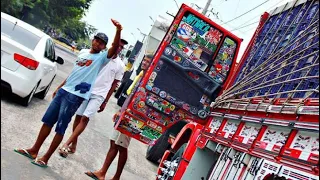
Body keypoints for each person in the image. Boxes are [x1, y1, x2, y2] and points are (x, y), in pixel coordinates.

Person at [14, 19, 123, 168]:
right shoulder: (83, 53)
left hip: (76, 96)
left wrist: (118, 31)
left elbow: (115, 47)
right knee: (47, 121)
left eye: (101, 43)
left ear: (104, 46)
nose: (98, 43)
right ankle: (34, 150)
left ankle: (46, 157)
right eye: (96, 40)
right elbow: (74, 73)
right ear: (93, 40)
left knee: (61, 127)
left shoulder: (102, 58)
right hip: (64, 91)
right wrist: (60, 86)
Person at [85, 54, 153, 180]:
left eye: (148, 62)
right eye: (144, 60)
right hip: (125, 113)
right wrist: (121, 111)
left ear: (152, 65)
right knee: (113, 142)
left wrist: (126, 113)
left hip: (131, 117)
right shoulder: (141, 76)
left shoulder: (149, 81)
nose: (144, 63)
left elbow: (139, 101)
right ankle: (102, 172)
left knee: (122, 146)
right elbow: (131, 95)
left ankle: (115, 177)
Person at [58, 39, 128, 157]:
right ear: (112, 45)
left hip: (99, 94)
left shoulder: (120, 65)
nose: (118, 48)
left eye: (121, 47)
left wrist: (105, 101)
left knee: (85, 118)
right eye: (117, 45)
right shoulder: (101, 56)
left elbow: (114, 84)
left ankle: (66, 144)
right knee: (78, 117)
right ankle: (74, 144)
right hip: (86, 90)